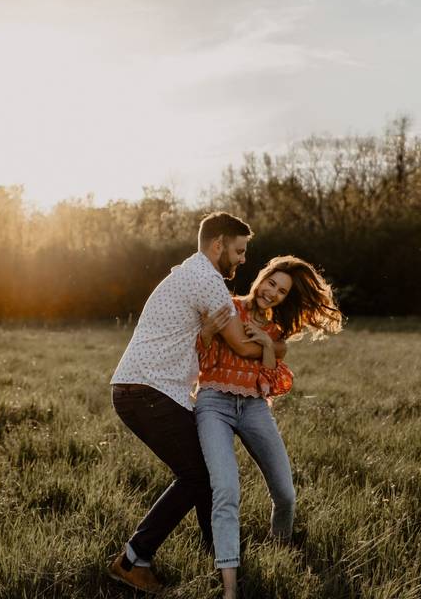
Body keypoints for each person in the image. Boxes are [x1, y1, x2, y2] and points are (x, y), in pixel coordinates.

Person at [107, 212, 285, 593]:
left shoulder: (189, 272)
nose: (242, 260)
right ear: (217, 244)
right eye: (238, 251)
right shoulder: (209, 280)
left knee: (203, 471)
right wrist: (277, 346)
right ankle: (133, 559)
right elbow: (239, 344)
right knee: (197, 474)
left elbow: (195, 336)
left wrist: (204, 333)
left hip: (142, 388)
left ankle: (217, 554)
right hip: (148, 391)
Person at [194, 255, 343, 599]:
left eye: (281, 290)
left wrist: (266, 344)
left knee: (286, 495)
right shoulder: (227, 305)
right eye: (270, 283)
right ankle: (230, 588)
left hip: (253, 407)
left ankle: (279, 553)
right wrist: (207, 333)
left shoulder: (275, 330)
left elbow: (270, 380)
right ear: (260, 278)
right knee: (227, 492)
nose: (272, 292)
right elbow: (201, 360)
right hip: (214, 402)